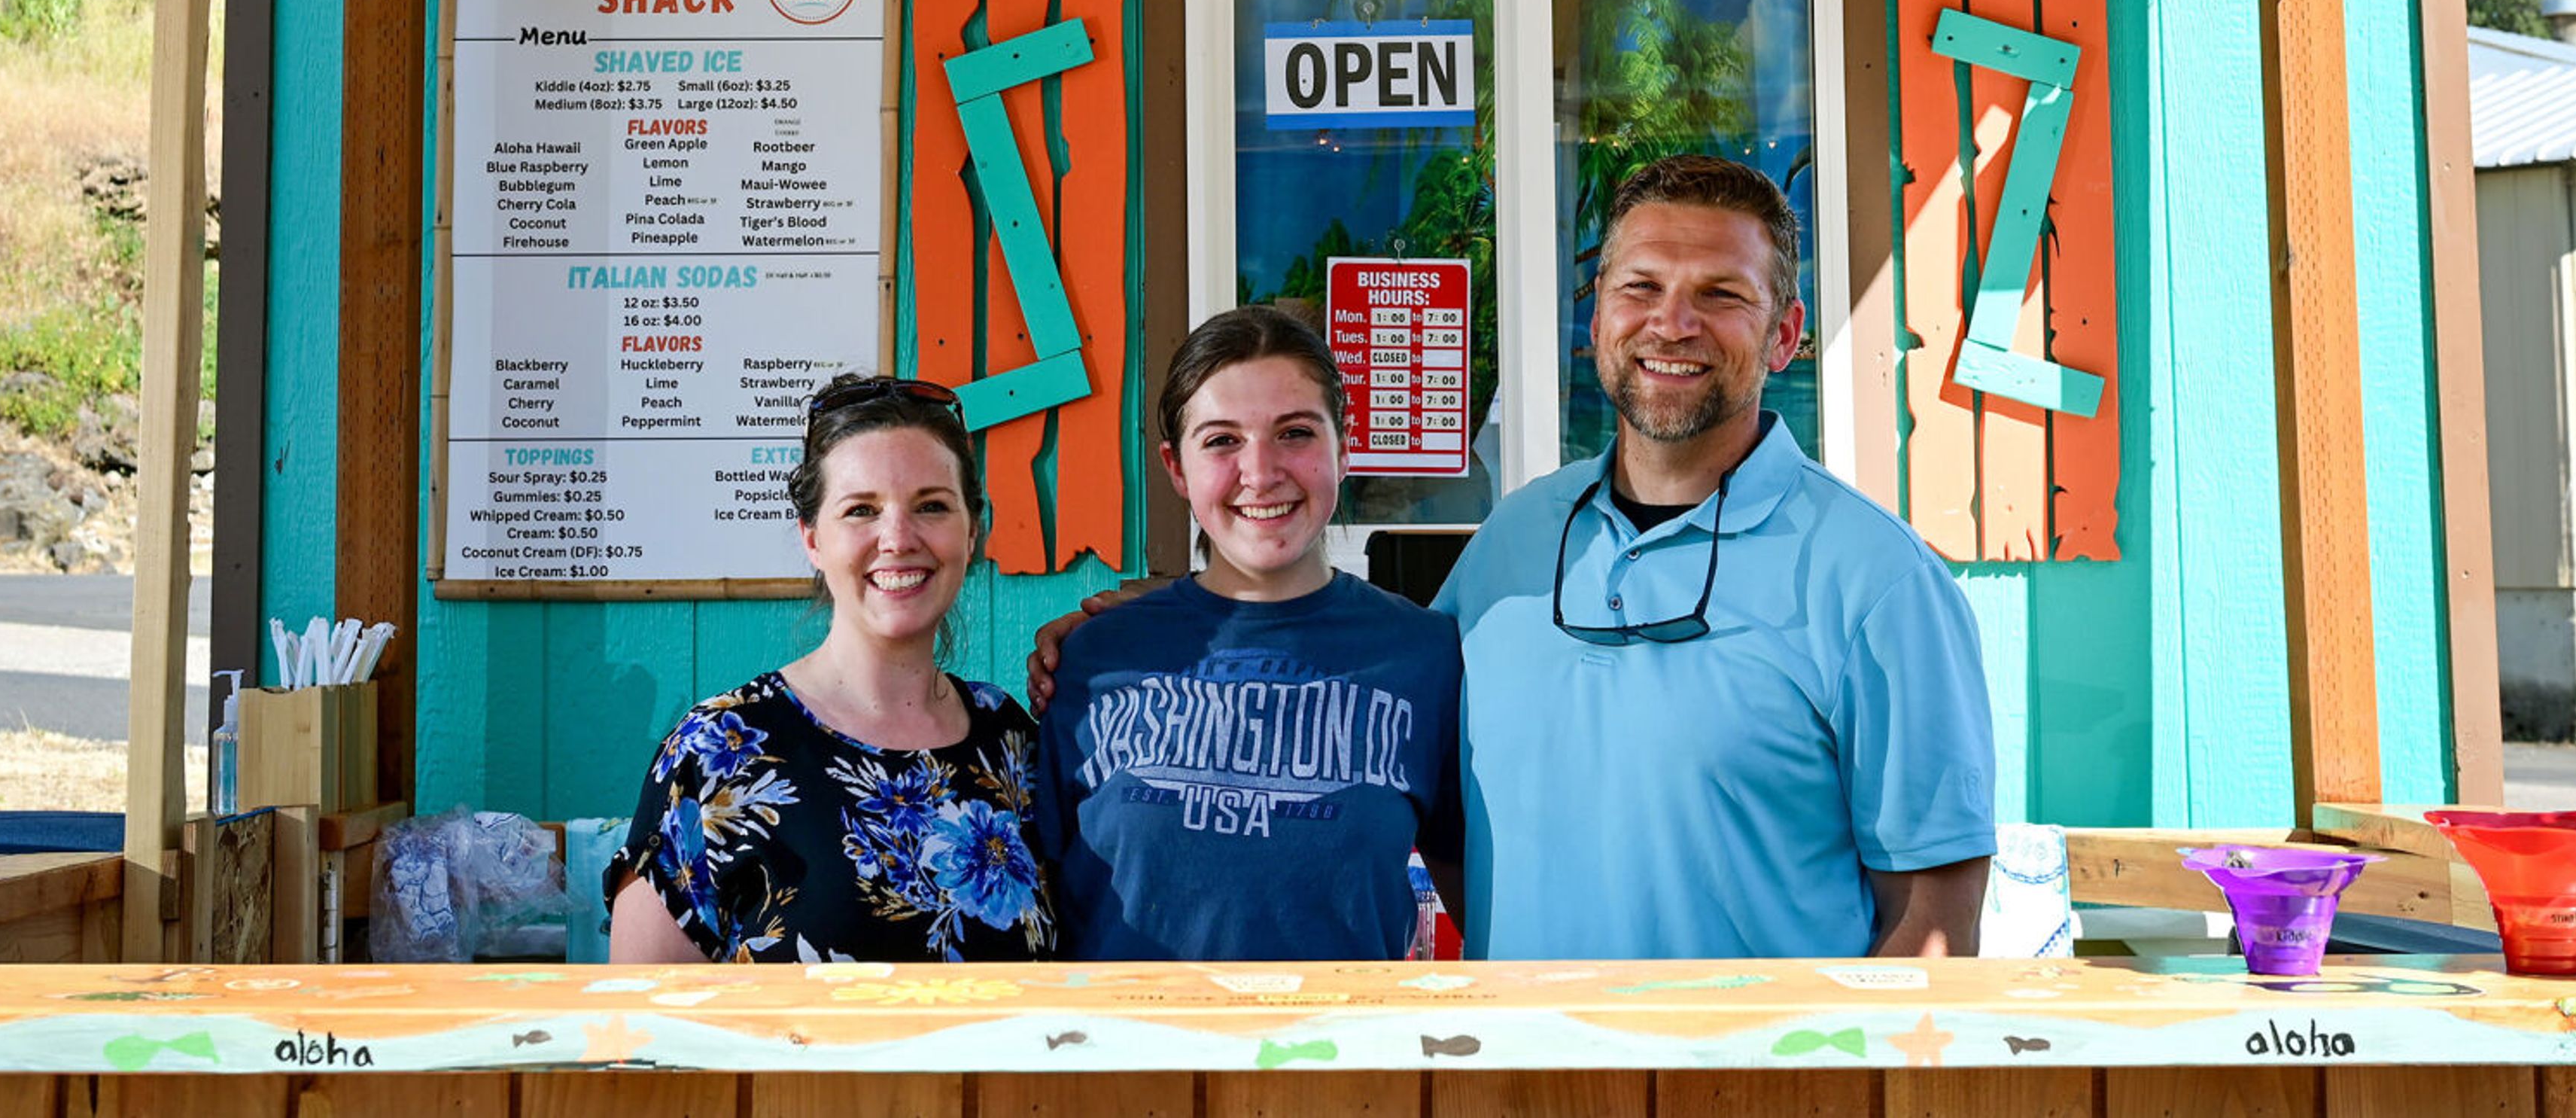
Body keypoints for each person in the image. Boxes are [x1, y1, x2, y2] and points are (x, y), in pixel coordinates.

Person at [1033, 154, 1994, 960]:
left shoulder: (1879, 580)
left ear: (1785, 334)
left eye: (1722, 294)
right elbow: (1359, 673)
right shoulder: (1519, 539)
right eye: (1641, 287)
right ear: (1596, 317)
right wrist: (1174, 613)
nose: (1673, 322)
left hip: (1755, 1083)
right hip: (1520, 1070)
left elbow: (1936, 920)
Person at [1034, 306, 1462, 959]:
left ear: (1343, 449)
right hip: (1124, 1057)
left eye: (1294, 433)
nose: (1261, 473)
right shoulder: (1092, 660)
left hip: (1344, 1056)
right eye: (1222, 441)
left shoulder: (1426, 657)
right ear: (1176, 468)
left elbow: (1486, 909)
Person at [607, 376, 1055, 963]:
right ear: (812, 539)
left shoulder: (1008, 739)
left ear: (972, 531)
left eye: (931, 506)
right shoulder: (718, 751)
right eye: (861, 510)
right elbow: (645, 1029)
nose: (897, 538)